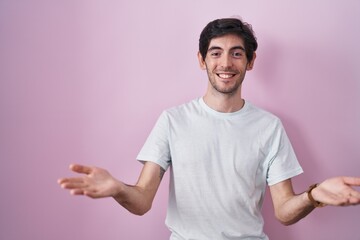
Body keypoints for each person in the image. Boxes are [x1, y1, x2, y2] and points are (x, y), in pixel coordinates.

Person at [58, 18, 360, 239]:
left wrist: (314, 195)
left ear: (251, 61)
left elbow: (283, 211)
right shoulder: (172, 120)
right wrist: (117, 190)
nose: (225, 62)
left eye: (236, 53)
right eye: (215, 52)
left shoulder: (270, 127)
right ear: (202, 60)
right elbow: (141, 201)